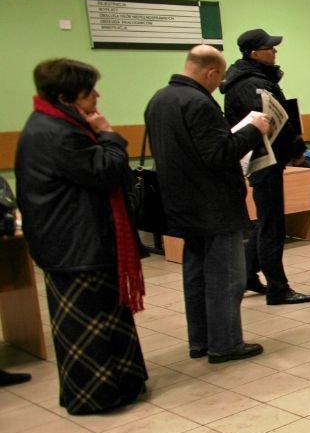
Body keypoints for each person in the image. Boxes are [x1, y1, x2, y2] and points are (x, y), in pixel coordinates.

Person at [15, 58, 148, 413]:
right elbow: (106, 170)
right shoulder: (56, 132)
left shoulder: (55, 124)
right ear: (66, 96)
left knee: (109, 315)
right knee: (87, 324)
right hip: (74, 244)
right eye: (90, 92)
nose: (98, 96)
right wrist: (108, 135)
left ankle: (123, 383)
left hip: (79, 240)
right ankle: (96, 395)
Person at [146, 46, 269, 364]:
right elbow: (218, 154)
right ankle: (226, 343)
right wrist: (253, 132)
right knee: (227, 277)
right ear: (211, 72)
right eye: (219, 77)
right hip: (214, 205)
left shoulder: (158, 100)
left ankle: (200, 340)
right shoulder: (199, 103)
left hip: (181, 204)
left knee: (196, 275)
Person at [220, 28, 310, 306]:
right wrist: (293, 147)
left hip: (268, 159)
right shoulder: (251, 84)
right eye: (269, 48)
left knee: (266, 222)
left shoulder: (256, 78)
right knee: (272, 225)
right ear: (254, 53)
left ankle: (249, 274)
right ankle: (277, 288)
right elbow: (268, 122)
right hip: (263, 160)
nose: (275, 52)